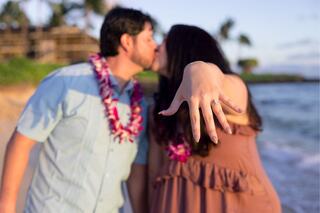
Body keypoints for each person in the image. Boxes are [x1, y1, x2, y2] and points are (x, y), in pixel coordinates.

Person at [0, 8, 240, 213]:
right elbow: (21, 143)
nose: (155, 46)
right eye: (148, 38)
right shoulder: (66, 82)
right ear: (127, 42)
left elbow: (137, 173)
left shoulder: (140, 107)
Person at [147, 24, 282, 213]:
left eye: (165, 42)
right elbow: (154, 172)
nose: (157, 47)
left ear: (184, 50)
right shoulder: (160, 111)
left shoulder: (233, 88)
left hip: (238, 205)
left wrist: (200, 70)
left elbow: (223, 85)